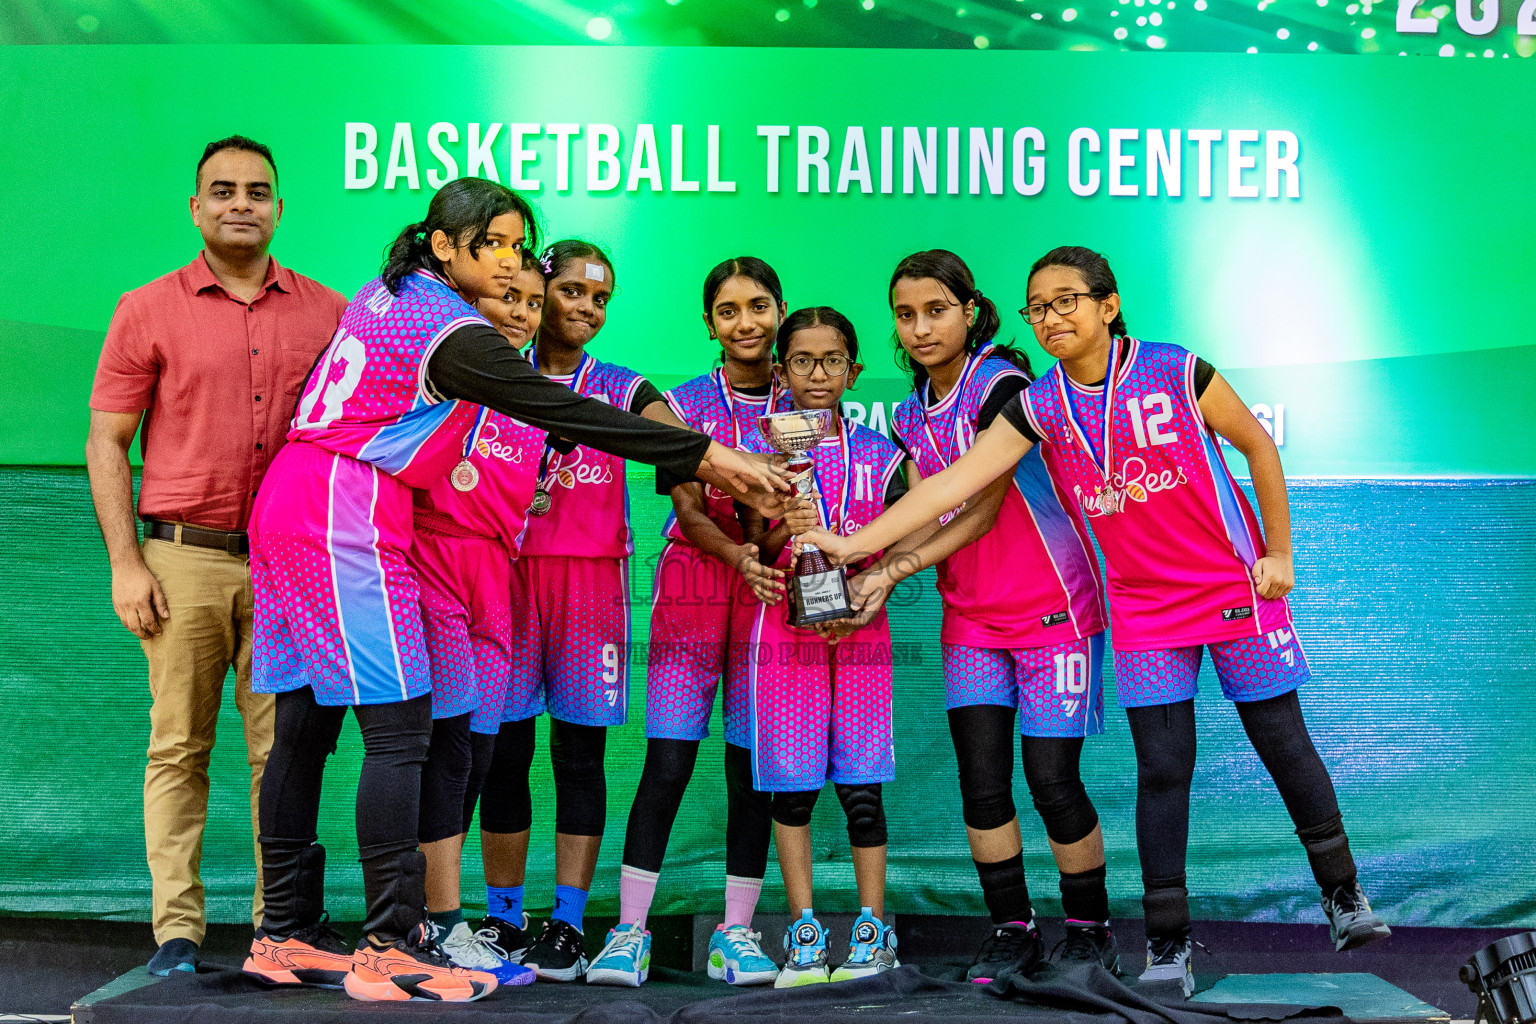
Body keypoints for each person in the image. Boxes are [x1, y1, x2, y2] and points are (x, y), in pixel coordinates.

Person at [240, 177, 789, 1003]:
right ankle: (391, 946)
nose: (506, 263)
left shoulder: (389, 293)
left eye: (515, 246)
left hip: (292, 499)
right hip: (343, 510)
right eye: (490, 244)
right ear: (441, 246)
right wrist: (712, 458)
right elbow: (557, 405)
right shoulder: (447, 327)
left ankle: (282, 932)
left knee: (306, 726)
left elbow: (560, 411)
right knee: (400, 736)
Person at [806, 245, 1390, 998]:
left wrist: (1279, 551)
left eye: (1067, 301)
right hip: (1142, 606)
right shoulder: (1040, 402)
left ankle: (1344, 895)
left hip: (1232, 584)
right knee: (1162, 770)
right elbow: (956, 483)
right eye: (1038, 308)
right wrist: (856, 546)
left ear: (1108, 305)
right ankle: (1168, 945)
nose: (1051, 318)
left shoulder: (1175, 368)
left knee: (1281, 741)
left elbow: (1257, 442)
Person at [85, 135, 347, 976]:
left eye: (257, 191)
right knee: (178, 749)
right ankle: (177, 935)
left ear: (280, 209)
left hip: (291, 568)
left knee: (284, 755)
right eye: (223, 190)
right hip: (181, 563)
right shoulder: (145, 309)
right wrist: (127, 565)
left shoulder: (330, 314)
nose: (241, 203)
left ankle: (281, 930)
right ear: (195, 208)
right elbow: (106, 441)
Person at [835, 250, 1115, 984]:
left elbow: (982, 508)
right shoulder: (908, 412)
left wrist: (887, 569)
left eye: (936, 311)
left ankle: (1090, 931)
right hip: (972, 619)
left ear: (970, 311)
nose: (921, 328)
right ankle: (1011, 929)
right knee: (982, 783)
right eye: (905, 315)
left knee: (1052, 781)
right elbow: (921, 513)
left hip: (1052, 609)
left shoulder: (1004, 385)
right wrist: (859, 575)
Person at [587, 257, 788, 988]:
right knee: (668, 760)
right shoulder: (680, 404)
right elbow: (689, 510)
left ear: (779, 310)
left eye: (759, 306)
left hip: (772, 588)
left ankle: (736, 935)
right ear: (709, 324)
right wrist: (739, 555)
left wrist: (765, 549)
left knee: (750, 766)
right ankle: (628, 933)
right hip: (696, 584)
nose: (746, 322)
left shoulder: (805, 401)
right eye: (729, 311)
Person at [740, 307, 909, 987]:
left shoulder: (884, 455)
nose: (818, 374)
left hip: (862, 630)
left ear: (854, 371)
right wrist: (785, 522)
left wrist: (871, 590)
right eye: (803, 361)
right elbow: (757, 546)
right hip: (784, 635)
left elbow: (904, 543)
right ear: (780, 372)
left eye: (832, 360)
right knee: (794, 794)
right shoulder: (758, 454)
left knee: (861, 791)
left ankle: (872, 930)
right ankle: (804, 933)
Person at [408, 251, 549, 986]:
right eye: (508, 295)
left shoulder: (534, 402)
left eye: (533, 302)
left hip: (495, 581)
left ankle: (442, 919)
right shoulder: (442, 374)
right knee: (446, 749)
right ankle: (435, 922)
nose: (521, 312)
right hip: (432, 569)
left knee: (480, 757)